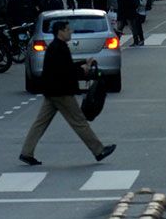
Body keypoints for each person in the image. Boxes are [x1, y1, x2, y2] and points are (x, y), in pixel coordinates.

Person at [19, 20, 116, 165]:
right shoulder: (59, 48)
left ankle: (26, 152)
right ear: (60, 32)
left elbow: (65, 67)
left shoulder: (57, 47)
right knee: (79, 122)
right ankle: (98, 150)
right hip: (61, 92)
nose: (71, 32)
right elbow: (64, 71)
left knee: (40, 123)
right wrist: (82, 70)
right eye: (68, 29)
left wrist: (83, 62)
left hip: (52, 91)